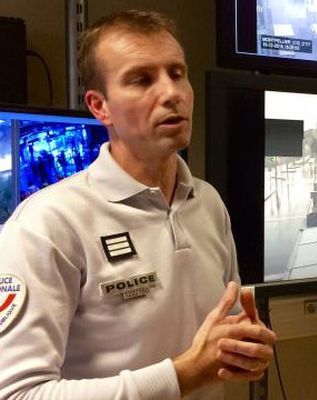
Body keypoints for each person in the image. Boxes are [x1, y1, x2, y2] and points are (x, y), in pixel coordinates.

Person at [0, 9, 275, 400]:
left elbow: (224, 336)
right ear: (100, 107)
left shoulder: (208, 203)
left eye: (177, 73)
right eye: (142, 79)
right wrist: (182, 376)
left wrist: (244, 350)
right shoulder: (46, 225)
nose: (172, 93)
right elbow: (18, 394)